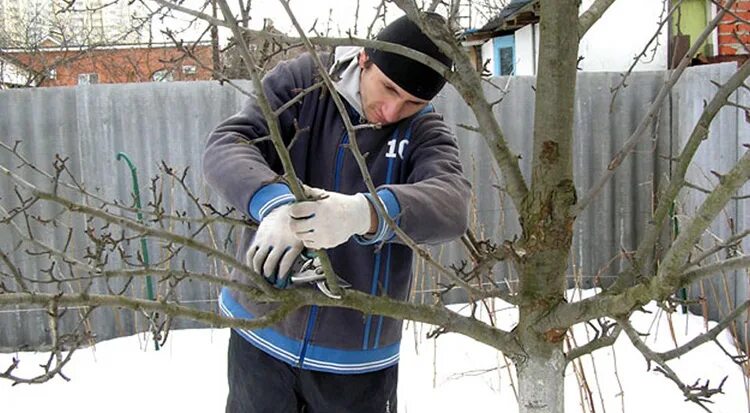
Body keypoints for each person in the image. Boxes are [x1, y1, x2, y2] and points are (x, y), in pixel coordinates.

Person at [203, 12, 470, 413]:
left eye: (413, 101)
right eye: (389, 88)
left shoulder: (423, 132)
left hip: (357, 359)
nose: (393, 110)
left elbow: (452, 201)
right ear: (364, 59)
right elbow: (229, 142)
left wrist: (364, 213)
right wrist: (275, 204)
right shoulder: (304, 83)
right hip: (261, 331)